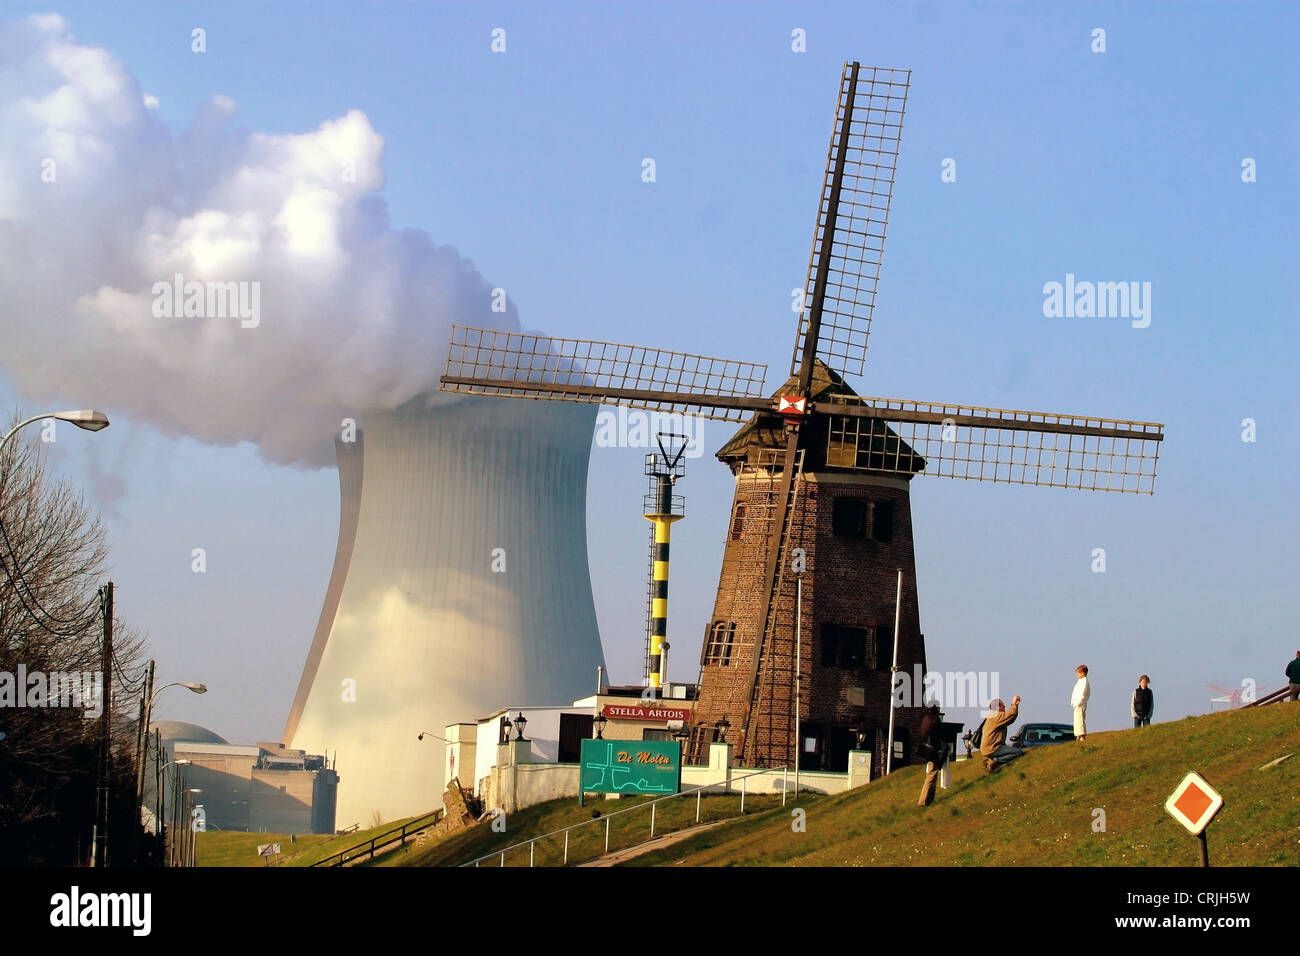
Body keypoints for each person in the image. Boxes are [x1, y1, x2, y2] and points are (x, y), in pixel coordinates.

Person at [916, 706, 949, 806]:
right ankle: (924, 801)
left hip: (927, 749)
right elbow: (938, 735)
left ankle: (926, 799)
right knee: (932, 774)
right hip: (933, 751)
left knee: (931, 773)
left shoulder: (925, 718)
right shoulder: (934, 720)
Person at [980, 696, 1022, 772]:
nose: (1005, 706)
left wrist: (1016, 706)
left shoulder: (993, 716)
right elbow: (1010, 714)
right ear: (997, 707)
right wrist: (1014, 703)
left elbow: (1010, 719)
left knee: (1014, 749)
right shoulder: (996, 715)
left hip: (989, 748)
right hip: (992, 748)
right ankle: (994, 761)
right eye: (1003, 705)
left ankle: (992, 760)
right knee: (1017, 752)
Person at [1071, 665, 1091, 741]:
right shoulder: (1079, 681)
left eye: (1078, 673)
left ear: (1082, 673)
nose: (1077, 675)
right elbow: (1075, 692)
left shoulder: (1085, 681)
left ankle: (1082, 735)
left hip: (1081, 704)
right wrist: (1073, 702)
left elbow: (1083, 693)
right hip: (1076, 704)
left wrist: (1078, 702)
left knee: (1080, 719)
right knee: (1076, 720)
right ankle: (1078, 735)